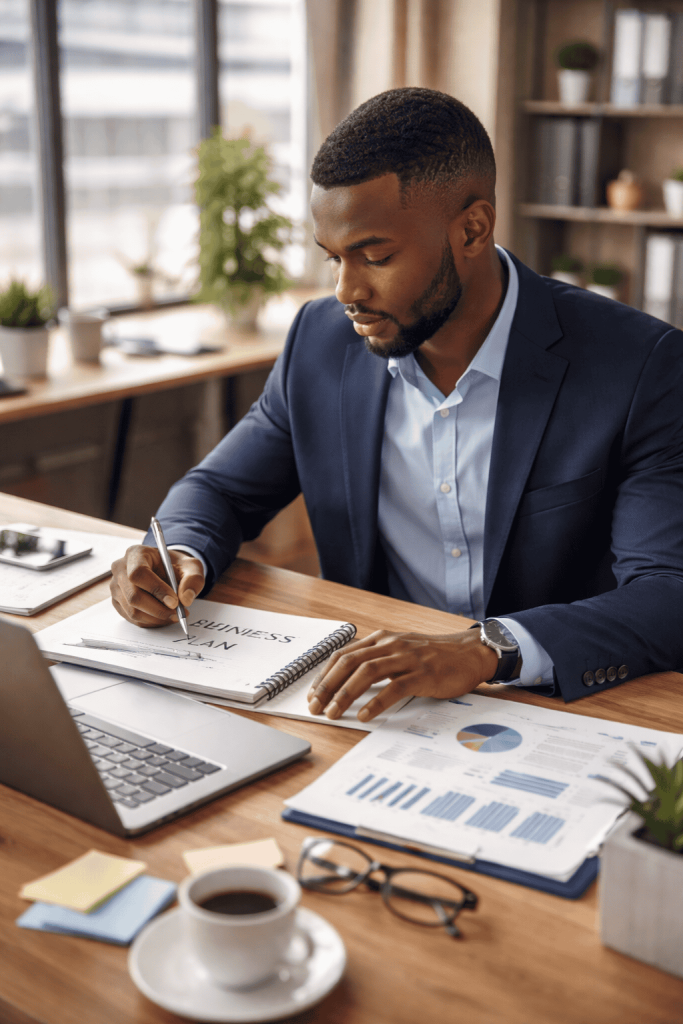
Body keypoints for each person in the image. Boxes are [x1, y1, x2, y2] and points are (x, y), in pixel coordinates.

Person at [110, 87, 683, 723]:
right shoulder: (319, 343)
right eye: (333, 258)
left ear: (472, 229)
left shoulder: (640, 365)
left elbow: (668, 592)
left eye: (376, 256)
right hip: (376, 703)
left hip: (556, 707)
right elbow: (219, 489)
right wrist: (178, 555)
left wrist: (485, 649)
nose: (346, 290)